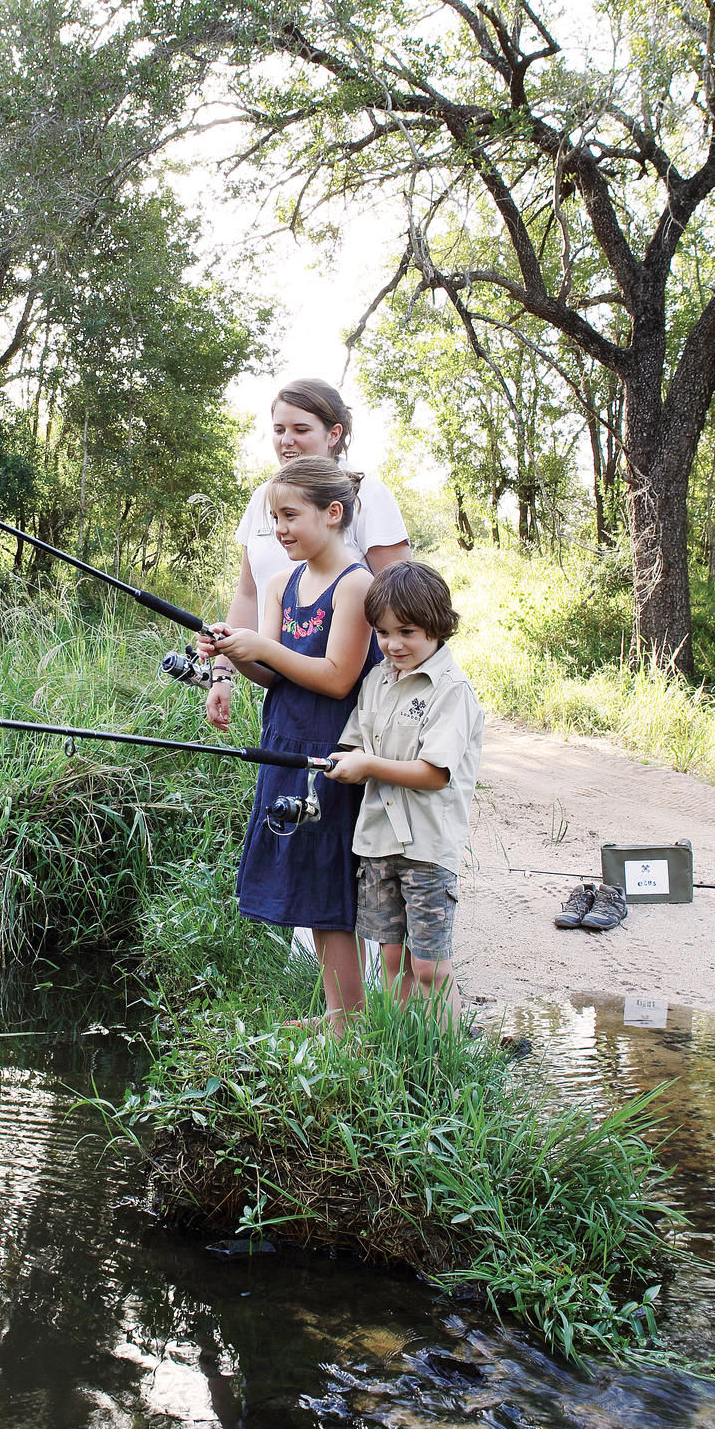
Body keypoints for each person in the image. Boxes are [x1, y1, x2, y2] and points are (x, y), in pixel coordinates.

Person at [203, 458, 375, 1030]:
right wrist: (234, 652)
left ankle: (348, 1022)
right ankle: (337, 1013)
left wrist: (262, 647)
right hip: (284, 740)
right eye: (274, 516)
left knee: (329, 880)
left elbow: (336, 677)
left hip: (333, 750)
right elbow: (274, 675)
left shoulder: (357, 585)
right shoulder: (282, 582)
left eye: (290, 515)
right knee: (302, 871)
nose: (278, 527)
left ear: (333, 513)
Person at [325, 561, 484, 1025]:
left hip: (428, 846)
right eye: (383, 633)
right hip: (377, 842)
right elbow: (354, 740)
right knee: (393, 964)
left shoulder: (451, 691)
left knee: (430, 965)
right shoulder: (375, 681)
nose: (393, 645)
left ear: (437, 627)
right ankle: (404, 1052)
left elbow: (435, 773)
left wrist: (368, 766)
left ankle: (446, 1058)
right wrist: (346, 761)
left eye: (407, 632)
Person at [204, 380, 409, 734]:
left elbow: (405, 601)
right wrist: (226, 664)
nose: (287, 440)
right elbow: (248, 594)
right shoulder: (263, 499)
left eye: (301, 429)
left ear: (334, 434)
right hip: (287, 712)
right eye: (279, 429)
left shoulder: (369, 497)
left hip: (352, 714)